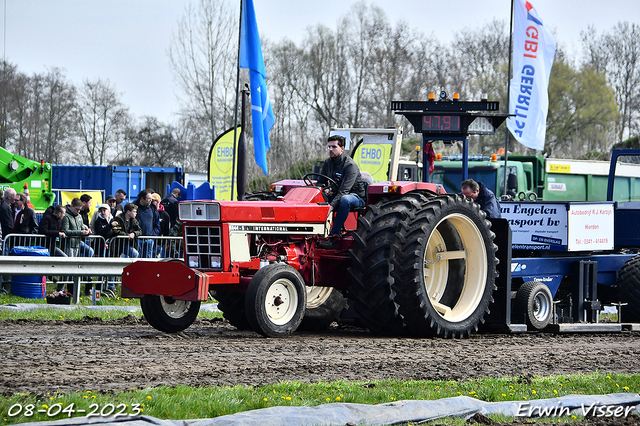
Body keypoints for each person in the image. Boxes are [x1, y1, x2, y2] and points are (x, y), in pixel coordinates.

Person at [317, 135, 367, 236]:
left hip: (355, 196)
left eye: (334, 147)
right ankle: (314, 234)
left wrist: (330, 206)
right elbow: (320, 182)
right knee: (317, 199)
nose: (330, 149)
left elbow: (344, 191)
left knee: (345, 199)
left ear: (342, 148)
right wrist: (325, 190)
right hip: (337, 194)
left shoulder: (350, 165)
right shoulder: (327, 162)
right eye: (329, 147)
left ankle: (334, 234)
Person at [62, 198, 93, 294]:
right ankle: (70, 290)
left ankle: (77, 287)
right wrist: (80, 232)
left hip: (77, 244)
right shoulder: (66, 216)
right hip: (69, 244)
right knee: (70, 268)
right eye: (76, 209)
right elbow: (66, 231)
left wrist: (87, 232)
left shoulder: (79, 216)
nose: (78, 211)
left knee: (76, 266)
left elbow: (82, 227)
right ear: (71, 207)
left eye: (79, 210)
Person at [39, 205, 68, 291]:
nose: (64, 216)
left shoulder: (60, 220)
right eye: (63, 214)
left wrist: (62, 232)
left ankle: (60, 288)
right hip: (44, 247)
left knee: (65, 259)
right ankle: (48, 278)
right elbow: (43, 231)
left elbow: (62, 229)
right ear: (59, 213)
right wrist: (57, 233)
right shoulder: (47, 218)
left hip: (53, 246)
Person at [134, 189, 160, 258]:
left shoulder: (153, 208)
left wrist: (153, 236)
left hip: (149, 239)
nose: (151, 200)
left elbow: (157, 224)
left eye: (151, 199)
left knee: (148, 260)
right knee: (137, 259)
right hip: (138, 239)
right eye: (149, 199)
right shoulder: (134, 207)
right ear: (142, 198)